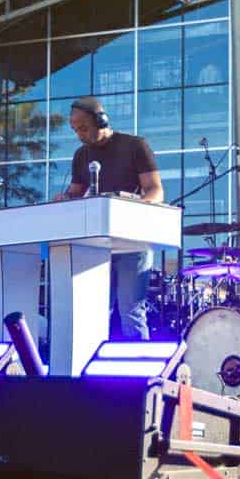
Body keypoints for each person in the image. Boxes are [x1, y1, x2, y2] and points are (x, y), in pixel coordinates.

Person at [54, 96, 164, 339]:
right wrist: (64, 199)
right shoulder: (81, 155)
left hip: (132, 241)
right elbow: (75, 193)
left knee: (131, 310)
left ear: (101, 120)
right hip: (95, 245)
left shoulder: (135, 145)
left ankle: (139, 372)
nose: (79, 135)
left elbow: (155, 190)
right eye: (74, 129)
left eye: (83, 127)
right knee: (95, 311)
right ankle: (93, 371)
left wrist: (132, 211)